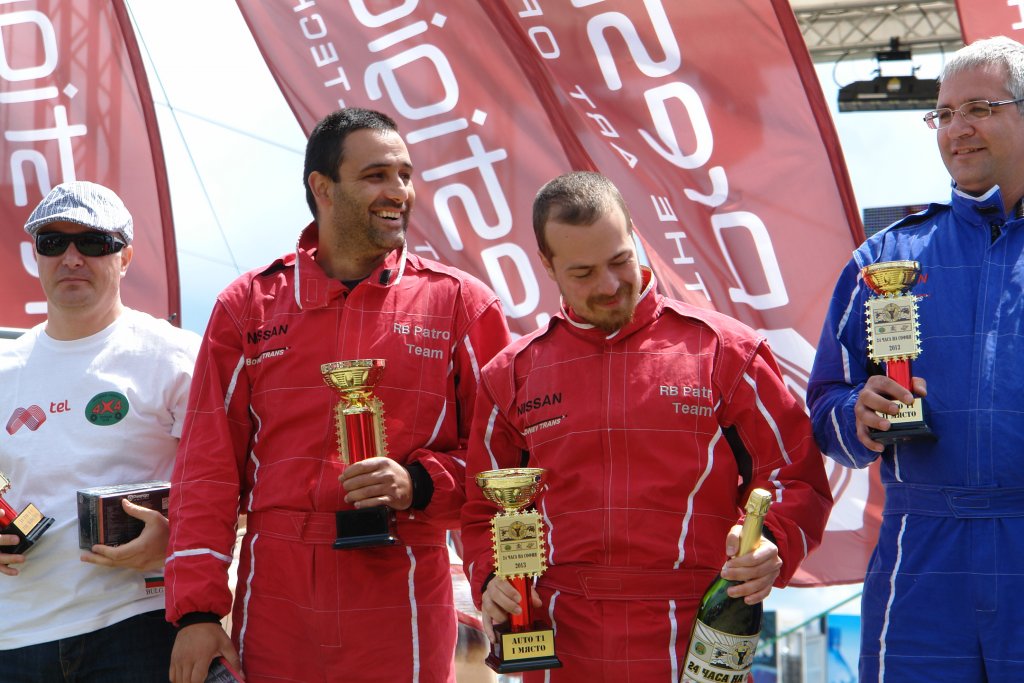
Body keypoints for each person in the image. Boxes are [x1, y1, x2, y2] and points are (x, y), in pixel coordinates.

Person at [165, 107, 512, 683]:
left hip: (404, 585)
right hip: (277, 594)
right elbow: (206, 468)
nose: (398, 191)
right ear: (322, 188)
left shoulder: (461, 304)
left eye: (405, 175)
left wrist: (420, 483)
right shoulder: (246, 305)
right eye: (376, 175)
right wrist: (197, 612)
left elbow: (504, 463)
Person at [460, 171, 832, 681]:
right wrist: (491, 581)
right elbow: (483, 510)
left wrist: (772, 542)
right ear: (547, 265)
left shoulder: (727, 352)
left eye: (620, 260)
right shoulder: (510, 374)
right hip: (560, 639)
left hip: (696, 636)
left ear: (634, 235)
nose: (609, 286)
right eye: (583, 273)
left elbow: (795, 474)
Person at [807, 36, 1024, 683]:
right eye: (944, 114)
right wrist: (859, 413)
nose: (957, 129)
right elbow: (825, 405)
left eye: (979, 108)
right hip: (922, 553)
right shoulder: (883, 259)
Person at [0, 181, 200, 681]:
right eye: (53, 243)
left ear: (125, 256)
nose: (71, 258)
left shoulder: (176, 356)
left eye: (92, 242)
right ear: (36, 255)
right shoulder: (5, 367)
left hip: (138, 624)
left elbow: (227, 480)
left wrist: (174, 538)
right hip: (16, 635)